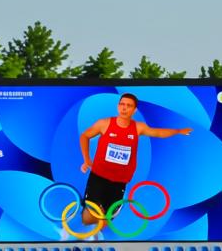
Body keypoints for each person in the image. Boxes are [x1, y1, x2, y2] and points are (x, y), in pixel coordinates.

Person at [78, 92, 193, 224]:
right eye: (122, 104)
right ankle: (84, 231)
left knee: (107, 218)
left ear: (134, 110)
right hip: (99, 177)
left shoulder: (138, 127)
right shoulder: (104, 123)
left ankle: (96, 239)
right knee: (90, 216)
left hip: (120, 181)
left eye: (128, 105)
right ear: (118, 106)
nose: (124, 108)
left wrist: (178, 131)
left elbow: (158, 133)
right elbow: (84, 136)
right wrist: (87, 160)